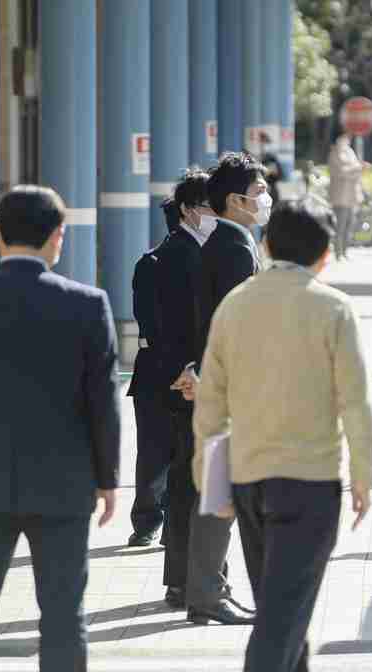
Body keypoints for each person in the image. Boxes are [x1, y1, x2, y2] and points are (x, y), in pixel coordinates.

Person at [193, 200, 372, 672]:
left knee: (282, 613)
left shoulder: (234, 305)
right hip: (309, 484)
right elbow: (355, 401)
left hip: (247, 479)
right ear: (325, 254)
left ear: (268, 245)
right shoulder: (334, 308)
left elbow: (211, 402)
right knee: (280, 621)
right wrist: (363, 477)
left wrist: (210, 483)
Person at [0, 185, 121, 671]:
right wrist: (108, 479)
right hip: (64, 484)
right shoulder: (87, 305)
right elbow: (102, 401)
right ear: (58, 238)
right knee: (65, 616)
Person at [174, 151, 267, 626]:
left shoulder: (227, 242)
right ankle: (208, 592)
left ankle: (210, 589)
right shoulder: (234, 247)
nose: (265, 200)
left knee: (216, 490)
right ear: (235, 200)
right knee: (218, 494)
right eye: (258, 193)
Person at [151, 168, 224, 611]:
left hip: (203, 382)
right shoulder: (168, 256)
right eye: (205, 208)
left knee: (195, 485)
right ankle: (184, 582)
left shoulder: (213, 251)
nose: (211, 216)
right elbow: (160, 327)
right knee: (186, 487)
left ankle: (192, 580)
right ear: (186, 211)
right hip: (184, 388)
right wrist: (184, 371)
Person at [127, 213, 177, 548]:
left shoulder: (149, 262)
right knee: (160, 450)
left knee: (152, 449)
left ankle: (148, 522)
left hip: (152, 367)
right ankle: (153, 520)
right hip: (163, 367)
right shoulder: (157, 262)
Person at [327, 132, 367, 260]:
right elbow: (342, 172)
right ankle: (339, 252)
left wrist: (357, 169)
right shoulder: (336, 153)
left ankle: (344, 251)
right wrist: (358, 168)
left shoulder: (349, 151)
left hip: (352, 195)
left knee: (349, 225)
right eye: (344, 136)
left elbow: (353, 170)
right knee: (341, 225)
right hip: (340, 196)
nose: (347, 139)